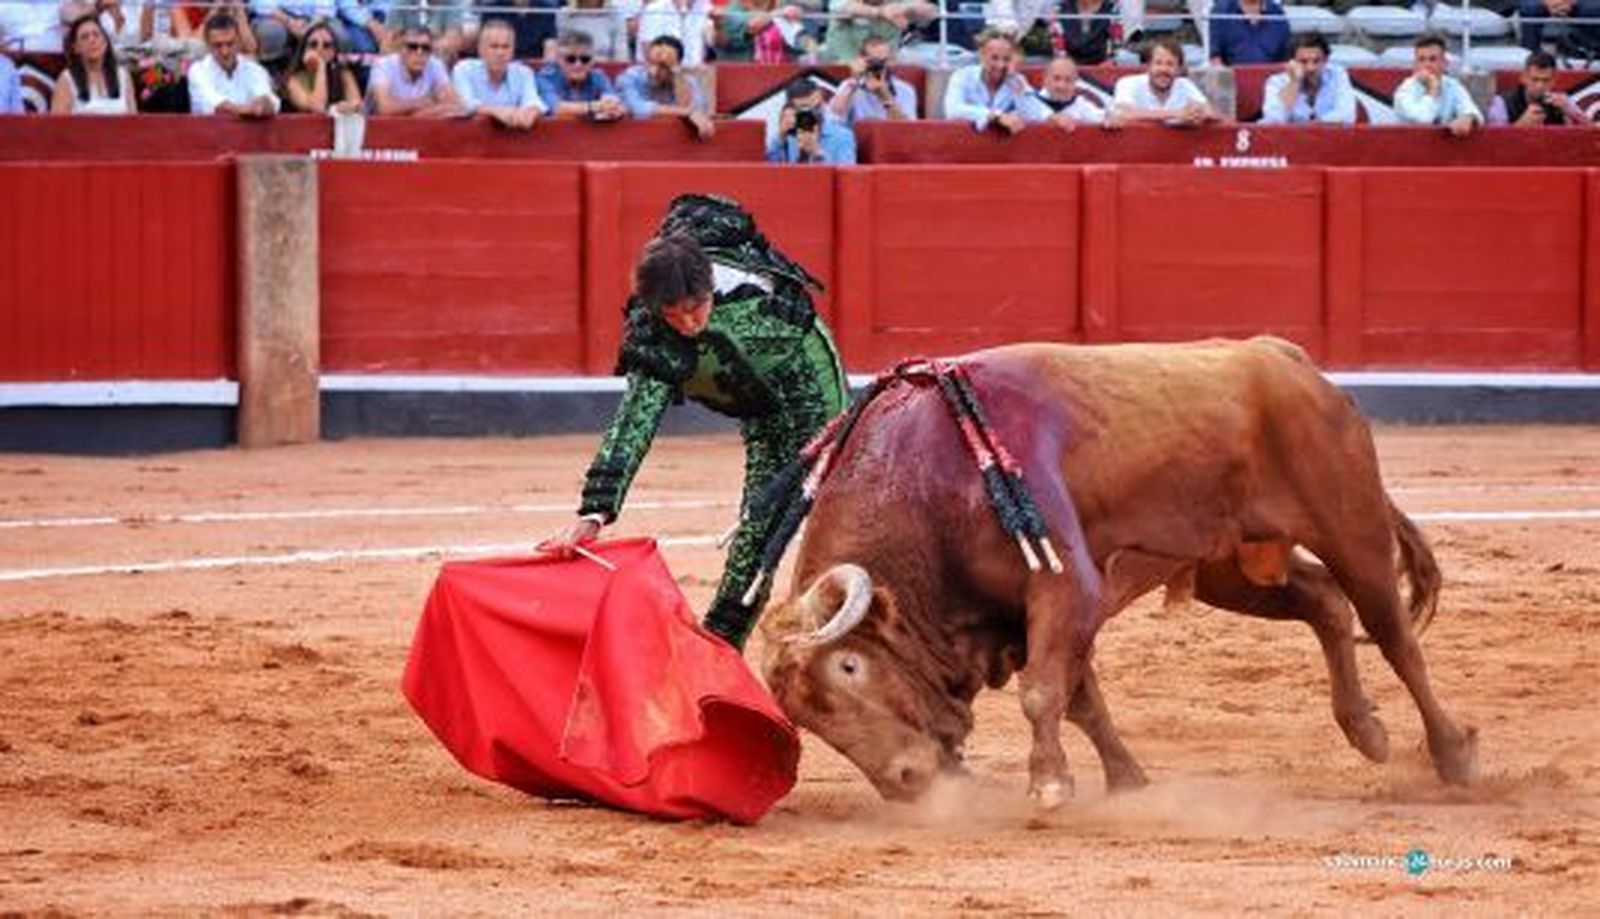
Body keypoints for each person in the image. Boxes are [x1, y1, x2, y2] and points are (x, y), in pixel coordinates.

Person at [542, 194, 850, 650]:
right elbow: (634, 419)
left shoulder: (758, 301)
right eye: (674, 314)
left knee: (835, 521)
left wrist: (835, 436)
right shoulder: (654, 328)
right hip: (761, 413)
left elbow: (816, 354)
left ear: (711, 290)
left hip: (813, 398)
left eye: (696, 308)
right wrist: (595, 510)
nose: (688, 323)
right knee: (753, 543)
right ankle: (719, 652)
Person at [943, 28, 1044, 133]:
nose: (1000, 65)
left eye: (1006, 59)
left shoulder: (1017, 79)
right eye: (994, 58)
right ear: (981, 55)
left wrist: (1014, 81)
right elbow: (952, 111)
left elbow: (1035, 117)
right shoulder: (962, 76)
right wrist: (996, 116)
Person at [452, 17, 544, 128]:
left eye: (506, 47)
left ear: (513, 50)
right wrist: (496, 112)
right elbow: (466, 104)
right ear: (481, 49)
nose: (500, 53)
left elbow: (533, 102)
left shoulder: (524, 73)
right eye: (494, 47)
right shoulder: (463, 70)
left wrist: (530, 113)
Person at [618, 34, 715, 137]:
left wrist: (677, 76)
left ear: (676, 67)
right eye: (651, 63)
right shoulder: (630, 77)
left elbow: (699, 110)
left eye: (662, 66)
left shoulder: (686, 81)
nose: (653, 72)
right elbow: (637, 108)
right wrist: (685, 112)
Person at [187, 12, 279, 117]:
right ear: (208, 44)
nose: (224, 52)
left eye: (230, 44)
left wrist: (264, 104)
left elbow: (268, 101)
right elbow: (215, 106)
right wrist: (249, 109)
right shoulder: (198, 71)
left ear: (239, 41)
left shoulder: (254, 69)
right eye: (218, 45)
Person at [1112, 35, 1218, 124]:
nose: (1164, 69)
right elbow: (1123, 112)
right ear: (1148, 66)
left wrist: (1198, 113)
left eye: (1170, 64)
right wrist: (1177, 113)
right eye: (1158, 63)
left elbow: (1212, 113)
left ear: (1179, 69)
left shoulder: (1185, 84)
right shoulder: (1127, 83)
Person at [367, 25, 466, 116]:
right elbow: (385, 107)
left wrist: (419, 113)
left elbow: (455, 105)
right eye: (412, 47)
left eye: (426, 48)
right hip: (381, 129)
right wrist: (425, 102)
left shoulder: (435, 64)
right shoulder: (384, 65)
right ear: (400, 49)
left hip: (421, 128)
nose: (419, 52)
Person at [1393, 34, 1481, 137]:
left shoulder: (1452, 85)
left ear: (1444, 64)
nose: (1427, 65)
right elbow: (1423, 121)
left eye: (1433, 59)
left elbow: (1470, 109)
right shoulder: (1405, 90)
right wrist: (1432, 89)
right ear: (1415, 65)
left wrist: (1468, 117)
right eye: (1421, 60)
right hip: (1409, 147)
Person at [1259, 31, 1355, 124]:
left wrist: (1313, 127)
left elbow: (1347, 116)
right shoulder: (1276, 82)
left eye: (1316, 61)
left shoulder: (1338, 75)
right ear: (1292, 62)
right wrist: (1294, 83)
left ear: (1326, 60)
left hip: (1327, 138)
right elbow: (1274, 120)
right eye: (1303, 62)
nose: (1310, 68)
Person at [51, 14, 136, 114]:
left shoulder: (123, 76)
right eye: (84, 37)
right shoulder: (66, 79)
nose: (92, 40)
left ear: (105, 42)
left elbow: (133, 122)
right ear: (76, 48)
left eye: (96, 34)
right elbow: (57, 127)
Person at [828, 33, 918, 124]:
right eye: (873, 62)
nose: (878, 67)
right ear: (862, 60)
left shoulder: (905, 89)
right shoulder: (850, 86)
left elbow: (907, 130)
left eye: (883, 62)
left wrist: (884, 95)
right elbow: (833, 120)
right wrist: (855, 80)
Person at [536, 28, 627, 118]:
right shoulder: (546, 78)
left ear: (592, 61)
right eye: (570, 59)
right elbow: (555, 108)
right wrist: (596, 107)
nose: (578, 64)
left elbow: (616, 104)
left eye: (585, 59)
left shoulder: (598, 76)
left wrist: (613, 109)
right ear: (559, 60)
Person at [1488, 50, 1592, 125]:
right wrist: (1521, 124)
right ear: (1524, 78)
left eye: (1546, 80)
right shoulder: (1501, 103)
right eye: (1535, 79)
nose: (1540, 86)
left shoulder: (1563, 101)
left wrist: (1570, 113)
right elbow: (1496, 143)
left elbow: (1593, 132)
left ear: (1554, 80)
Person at [280, 18, 362, 113]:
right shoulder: (292, 80)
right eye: (313, 44)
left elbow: (358, 106)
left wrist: (348, 107)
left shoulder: (343, 74)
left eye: (327, 45)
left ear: (334, 51)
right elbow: (317, 107)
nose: (319, 49)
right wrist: (321, 68)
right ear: (304, 49)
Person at [768, 77, 857, 162]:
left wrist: (817, 154)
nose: (814, 113)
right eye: (805, 108)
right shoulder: (790, 136)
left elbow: (847, 174)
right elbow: (770, 170)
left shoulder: (842, 136)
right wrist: (780, 136)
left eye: (818, 107)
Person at [819, 0, 938, 63]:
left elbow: (931, 12)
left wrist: (904, 7)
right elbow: (842, 7)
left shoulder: (895, 4)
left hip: (884, 67)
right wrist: (881, 12)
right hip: (842, 65)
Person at [1033, 55, 1110, 129]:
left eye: (1068, 80)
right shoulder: (1031, 102)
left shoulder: (1080, 104)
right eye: (1056, 78)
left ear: (1075, 82)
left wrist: (1114, 117)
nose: (1061, 86)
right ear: (1045, 78)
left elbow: (1103, 117)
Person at [1206, 0, 1288, 67]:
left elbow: (1283, 60)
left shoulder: (1277, 13)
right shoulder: (1221, 11)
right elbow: (1215, 59)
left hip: (1271, 83)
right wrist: (1226, 83)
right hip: (1232, 80)